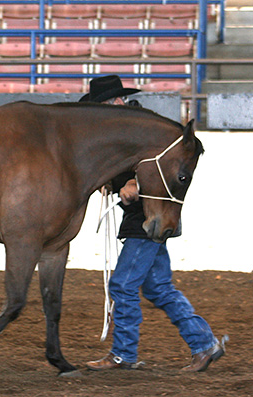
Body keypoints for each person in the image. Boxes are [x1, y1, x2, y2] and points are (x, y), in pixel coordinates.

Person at [80, 75, 226, 372]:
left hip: (146, 221)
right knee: (159, 287)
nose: (110, 108)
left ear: (117, 101)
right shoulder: (127, 130)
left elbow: (158, 162)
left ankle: (124, 353)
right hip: (147, 220)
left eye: (109, 103)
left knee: (122, 286)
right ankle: (204, 343)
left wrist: (133, 181)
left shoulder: (143, 130)